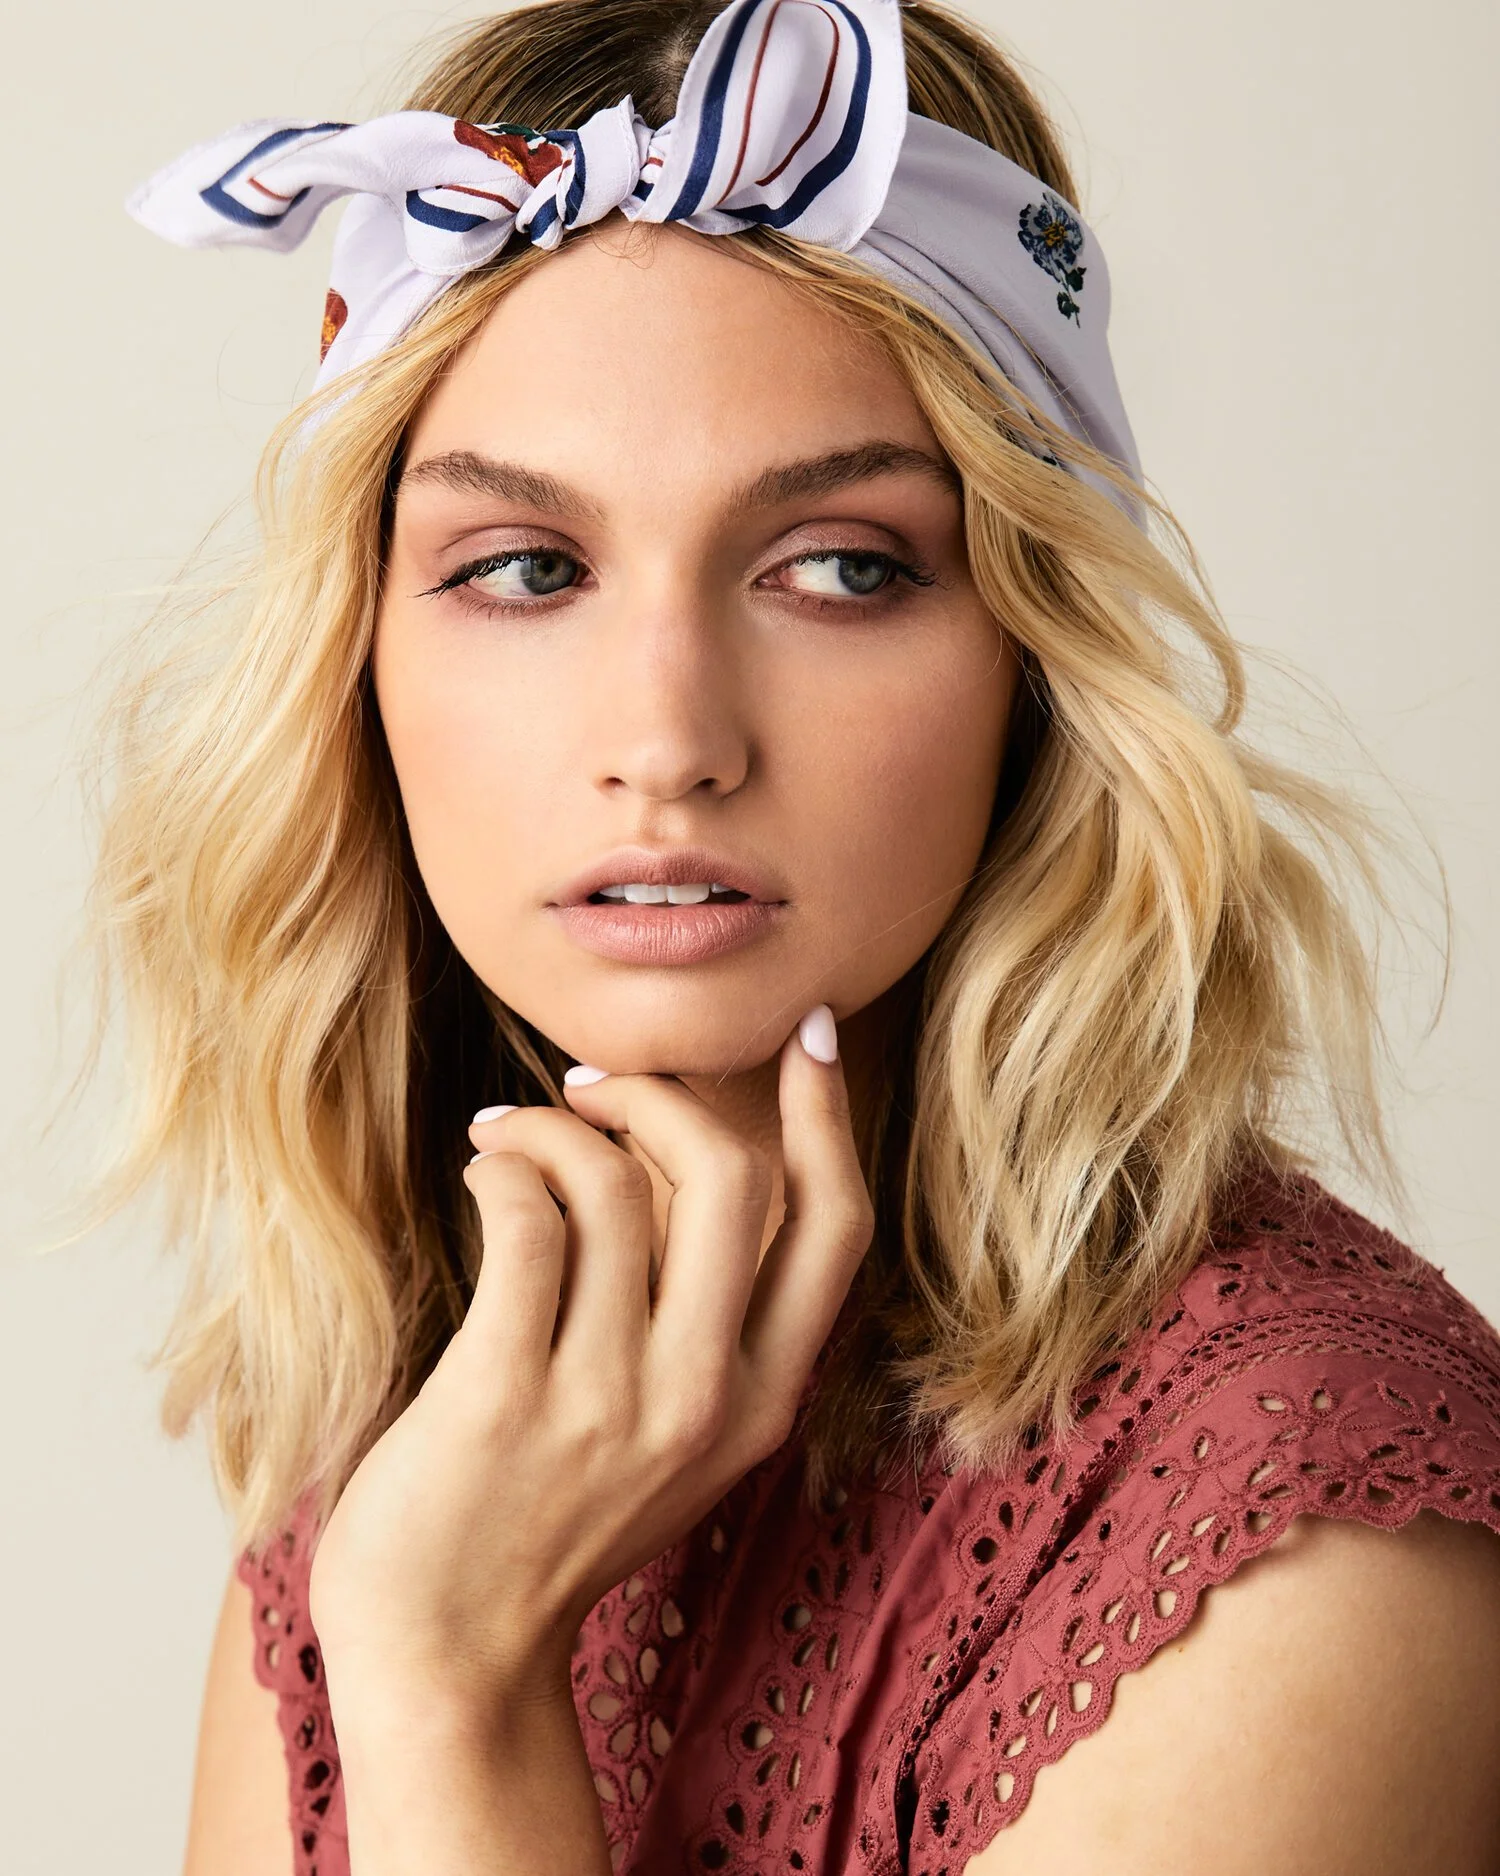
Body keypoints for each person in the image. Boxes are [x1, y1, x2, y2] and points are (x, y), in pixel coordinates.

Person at [91, 0, 1500, 1870]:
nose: (669, 739)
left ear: (1032, 654)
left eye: (840, 565)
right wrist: (424, 1615)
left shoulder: (1300, 1531)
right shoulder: (430, 1431)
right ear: (359, 666)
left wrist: (447, 1694)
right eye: (526, 569)